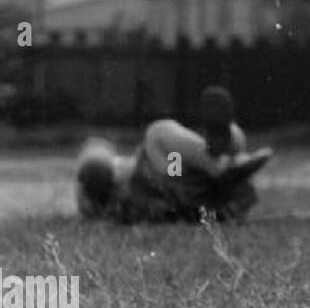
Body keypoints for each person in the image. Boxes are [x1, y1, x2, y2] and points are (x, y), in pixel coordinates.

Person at [75, 85, 272, 223]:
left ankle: (225, 157)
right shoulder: (101, 176)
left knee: (178, 155)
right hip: (167, 180)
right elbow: (94, 158)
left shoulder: (96, 208)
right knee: (158, 134)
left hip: (185, 186)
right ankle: (225, 156)